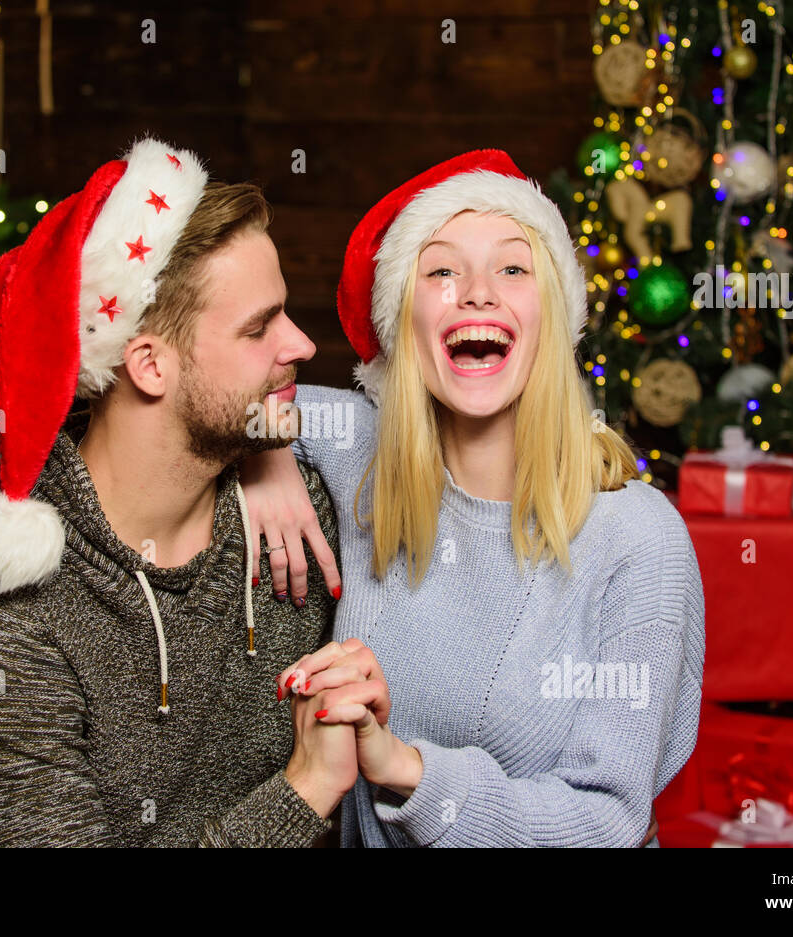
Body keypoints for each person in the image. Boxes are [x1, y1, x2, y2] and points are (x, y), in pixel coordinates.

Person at [0, 136, 382, 846]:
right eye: (260, 327)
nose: (303, 345)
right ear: (150, 366)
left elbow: (434, 447)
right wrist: (306, 788)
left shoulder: (297, 513)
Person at [241, 149, 705, 847]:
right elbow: (230, 399)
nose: (478, 292)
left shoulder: (638, 537)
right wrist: (267, 455)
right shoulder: (364, 452)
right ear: (405, 326)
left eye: (513, 267)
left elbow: (610, 820)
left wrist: (407, 770)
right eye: (441, 271)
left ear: (553, 315)